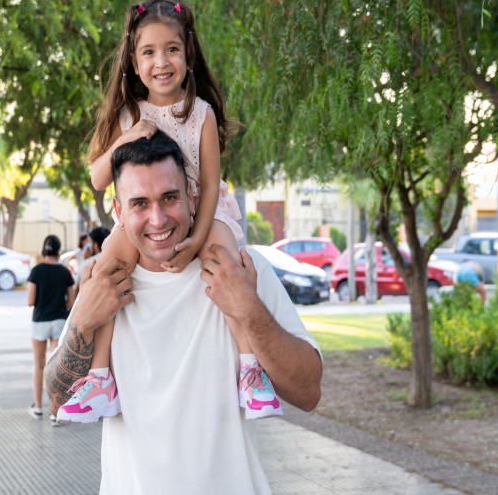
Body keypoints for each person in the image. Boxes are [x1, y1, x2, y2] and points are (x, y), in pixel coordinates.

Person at [44, 131, 322, 493]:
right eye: (139, 203)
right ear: (119, 212)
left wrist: (248, 308)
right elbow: (56, 399)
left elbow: (308, 392)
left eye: (169, 197)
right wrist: (83, 320)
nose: (157, 219)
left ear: (193, 197)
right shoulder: (104, 283)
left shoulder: (240, 271)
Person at [59, 0, 276, 423]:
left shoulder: (201, 114)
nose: (162, 61)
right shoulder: (128, 114)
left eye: (172, 49)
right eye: (149, 52)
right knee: (106, 268)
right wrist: (127, 137)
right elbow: (98, 178)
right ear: (135, 63)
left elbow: (211, 182)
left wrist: (197, 237)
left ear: (188, 54)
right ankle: (101, 378)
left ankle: (251, 371)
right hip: (149, 215)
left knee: (224, 262)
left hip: (202, 212)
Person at [27, 235, 77, 423]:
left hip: (40, 321)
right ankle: (55, 412)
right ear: (58, 250)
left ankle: (38, 407)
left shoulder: (36, 271)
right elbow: (71, 302)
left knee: (39, 365)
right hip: (59, 321)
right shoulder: (65, 273)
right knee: (55, 366)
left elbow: (30, 300)